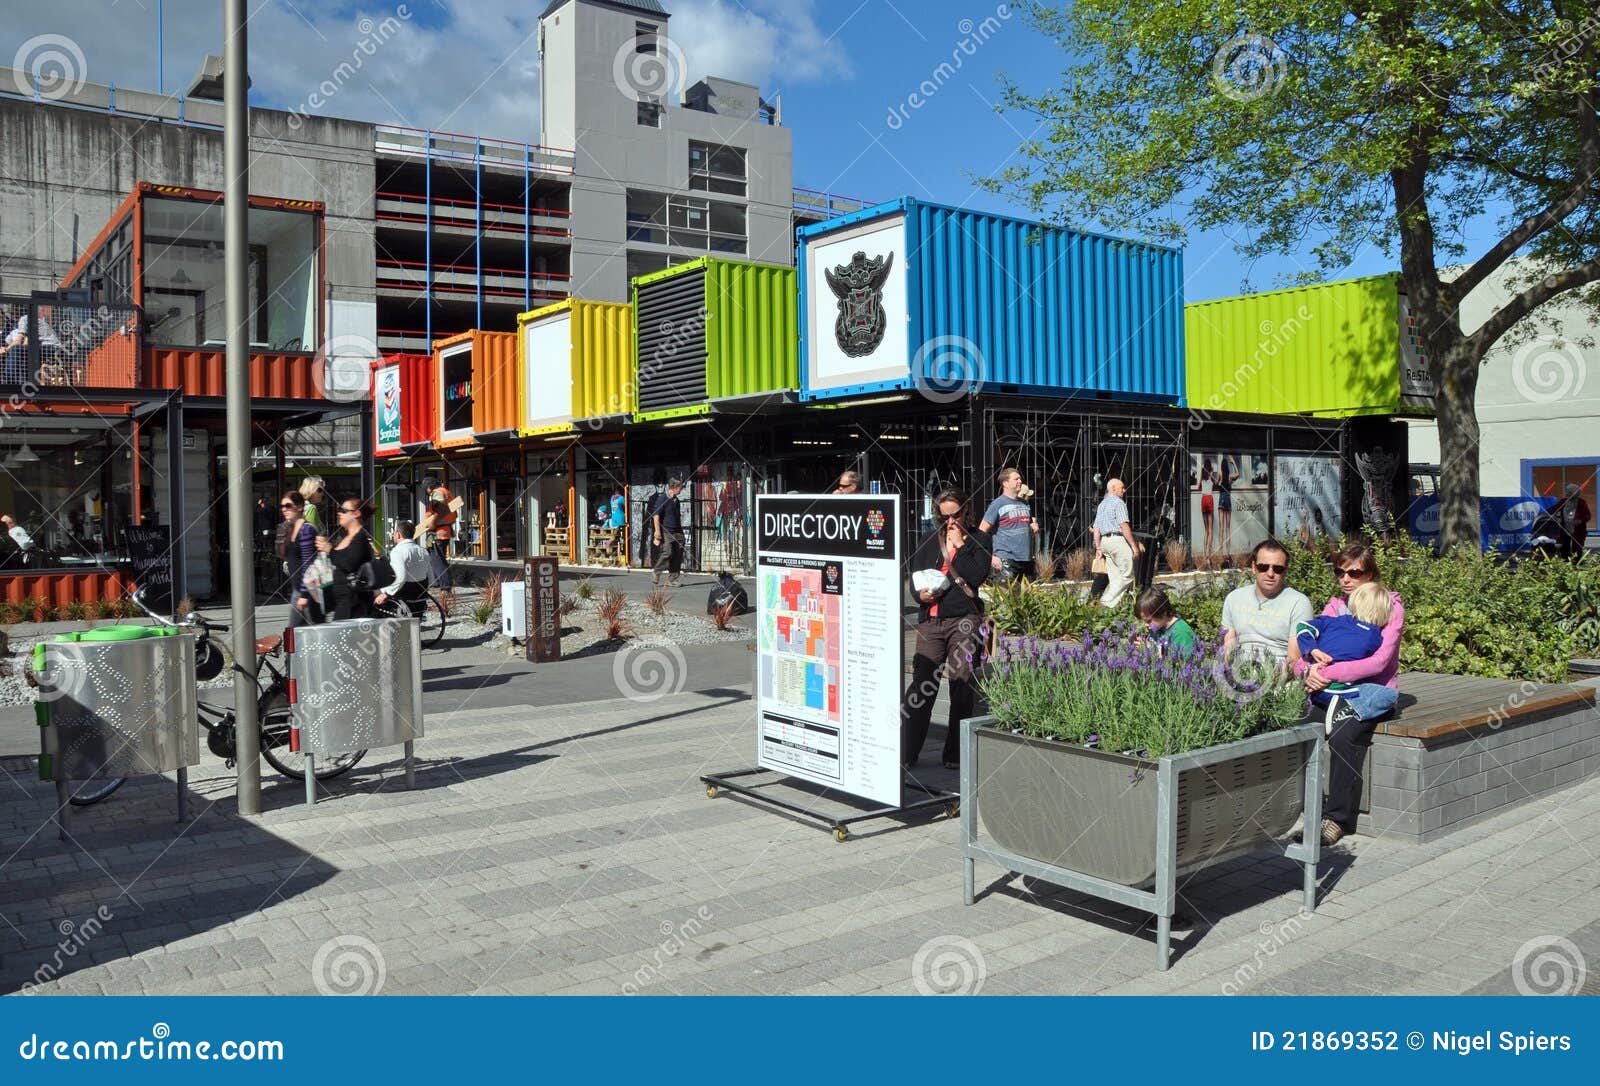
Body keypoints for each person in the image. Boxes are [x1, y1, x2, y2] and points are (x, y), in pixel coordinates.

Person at [1293, 543, 1405, 846]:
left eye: (1354, 572)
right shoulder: (1334, 607)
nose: (1345, 578)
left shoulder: (1389, 606)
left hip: (1368, 694)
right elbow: (1308, 648)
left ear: (1370, 574)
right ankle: (1304, 807)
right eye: (1339, 572)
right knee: (1297, 725)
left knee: (1342, 735)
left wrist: (1325, 673)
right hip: (1327, 691)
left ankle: (1337, 818)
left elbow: (1379, 661)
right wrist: (1308, 672)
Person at [901, 488, 992, 772]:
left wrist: (961, 546)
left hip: (963, 620)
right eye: (944, 516)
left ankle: (954, 753)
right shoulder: (930, 539)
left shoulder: (980, 539)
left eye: (955, 515)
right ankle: (908, 751)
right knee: (921, 686)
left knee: (961, 685)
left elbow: (976, 577)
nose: (950, 521)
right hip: (931, 620)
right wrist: (920, 597)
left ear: (966, 511)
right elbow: (915, 575)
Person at [1293, 581, 1390, 720]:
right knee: (1385, 694)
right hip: (1338, 688)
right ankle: (1342, 704)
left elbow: (1303, 627)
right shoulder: (1376, 638)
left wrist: (1312, 649)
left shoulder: (1333, 621)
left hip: (1312, 681)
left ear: (1354, 604)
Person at [1219, 538, 1314, 667]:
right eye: (1263, 567)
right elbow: (1227, 649)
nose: (1270, 573)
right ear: (1253, 567)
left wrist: (1268, 682)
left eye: (1278, 569)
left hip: (1279, 674)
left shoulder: (1299, 603)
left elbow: (1294, 660)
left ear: (1285, 571)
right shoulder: (1234, 598)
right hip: (1239, 672)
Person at [316, 497, 377, 621]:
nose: (339, 513)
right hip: (342, 601)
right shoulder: (347, 537)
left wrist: (330, 550)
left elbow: (348, 564)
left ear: (356, 514)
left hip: (354, 603)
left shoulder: (360, 538)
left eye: (343, 510)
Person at [979, 466, 1040, 584]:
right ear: (1005, 483)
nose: (1020, 481)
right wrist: (991, 556)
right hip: (1006, 560)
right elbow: (982, 531)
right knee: (1008, 599)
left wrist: (1033, 527)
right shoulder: (997, 504)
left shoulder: (1025, 504)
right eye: (1016, 479)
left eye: (1020, 479)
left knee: (1026, 600)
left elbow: (1025, 527)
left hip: (1026, 559)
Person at [1091, 478, 1142, 607]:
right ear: (1113, 488)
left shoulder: (1102, 504)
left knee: (1115, 579)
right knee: (1127, 575)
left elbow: (1096, 528)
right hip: (1117, 541)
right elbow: (1124, 525)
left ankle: (1108, 607)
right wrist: (1134, 546)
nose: (1124, 490)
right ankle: (1105, 601)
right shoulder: (1119, 503)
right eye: (1122, 487)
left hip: (1105, 542)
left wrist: (1098, 548)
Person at [375, 519, 432, 615]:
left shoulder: (398, 551)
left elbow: (400, 577)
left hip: (402, 595)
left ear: (398, 534)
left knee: (373, 594)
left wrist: (386, 593)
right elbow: (431, 576)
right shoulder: (423, 551)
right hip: (420, 595)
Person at [283, 492, 322, 627]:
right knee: (311, 631)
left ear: (299, 507)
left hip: (305, 590)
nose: (284, 509)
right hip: (299, 589)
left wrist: (304, 594)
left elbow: (308, 563)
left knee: (293, 633)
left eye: (288, 505)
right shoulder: (291, 529)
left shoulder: (306, 530)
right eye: (282, 506)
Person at [414, 475, 456, 588]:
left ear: (429, 487)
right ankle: (438, 582)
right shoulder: (445, 491)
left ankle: (445, 587)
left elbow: (441, 509)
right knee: (436, 559)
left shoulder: (437, 493)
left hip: (439, 531)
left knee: (438, 561)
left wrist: (433, 523)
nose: (426, 491)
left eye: (426, 489)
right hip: (444, 530)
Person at [1135, 588, 1197, 655]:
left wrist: (1152, 651)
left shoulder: (1181, 633)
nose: (1146, 625)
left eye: (1149, 621)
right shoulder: (1159, 627)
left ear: (1163, 613)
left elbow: (1182, 662)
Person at [649, 477, 686, 587]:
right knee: (668, 552)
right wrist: (657, 531)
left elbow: (676, 517)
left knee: (678, 554)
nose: (681, 490)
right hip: (666, 531)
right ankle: (656, 571)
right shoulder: (663, 498)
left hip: (677, 531)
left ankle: (672, 579)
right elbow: (656, 515)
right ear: (674, 487)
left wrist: (681, 532)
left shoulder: (676, 500)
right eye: (680, 488)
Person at [1553, 483, 1592, 559]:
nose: (1567, 493)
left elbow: (1588, 516)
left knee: (1577, 549)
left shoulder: (1582, 503)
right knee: (1564, 548)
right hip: (1565, 529)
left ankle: (1576, 565)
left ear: (1575, 493)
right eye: (1567, 491)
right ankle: (1566, 564)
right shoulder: (1563, 501)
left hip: (1578, 530)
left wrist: (1580, 521)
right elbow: (1553, 509)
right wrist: (1544, 513)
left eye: (1570, 492)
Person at [1216, 454, 1240, 559]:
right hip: (1228, 499)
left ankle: (1221, 552)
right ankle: (1228, 553)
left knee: (1221, 527)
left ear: (1221, 466)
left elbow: (1216, 482)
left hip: (1222, 498)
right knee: (1228, 528)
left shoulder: (1220, 474)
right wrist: (1233, 462)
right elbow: (1238, 474)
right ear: (1227, 466)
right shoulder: (1230, 477)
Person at [1199, 457, 1216, 566]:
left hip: (1203, 499)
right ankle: (1208, 557)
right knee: (1210, 530)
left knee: (1206, 531)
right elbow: (1216, 482)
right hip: (1209, 498)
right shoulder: (1211, 473)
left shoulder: (1202, 474)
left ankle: (1205, 555)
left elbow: (1198, 487)